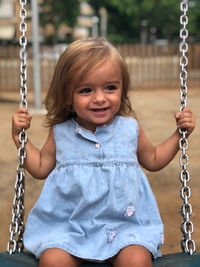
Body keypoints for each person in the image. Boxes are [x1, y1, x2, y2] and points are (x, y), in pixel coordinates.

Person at [12, 37, 195, 267]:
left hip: (124, 228)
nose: (100, 98)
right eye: (86, 90)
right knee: (52, 261)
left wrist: (180, 135)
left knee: (137, 261)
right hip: (69, 228)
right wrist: (21, 139)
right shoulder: (61, 132)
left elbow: (154, 159)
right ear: (67, 96)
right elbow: (39, 167)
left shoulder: (130, 128)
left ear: (122, 89)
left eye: (110, 88)